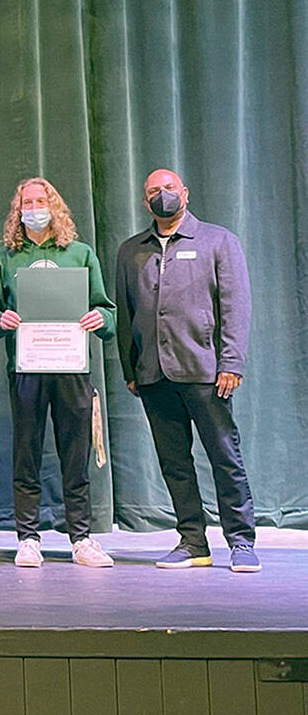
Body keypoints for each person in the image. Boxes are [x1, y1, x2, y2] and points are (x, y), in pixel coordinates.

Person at [115, 169, 258, 572]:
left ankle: (241, 541)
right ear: (145, 202)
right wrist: (131, 368)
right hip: (153, 375)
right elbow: (126, 314)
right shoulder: (130, 250)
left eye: (169, 188)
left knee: (225, 457)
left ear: (185, 193)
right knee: (174, 464)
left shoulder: (218, 241)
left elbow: (235, 306)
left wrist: (231, 362)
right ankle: (193, 541)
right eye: (153, 191)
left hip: (206, 372)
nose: (162, 195)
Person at [0, 178, 115, 568]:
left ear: (55, 206)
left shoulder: (80, 254)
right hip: (26, 368)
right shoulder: (4, 257)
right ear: (17, 210)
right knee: (26, 454)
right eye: (27, 203)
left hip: (72, 368)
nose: (34, 208)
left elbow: (106, 311)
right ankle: (28, 537)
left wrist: (99, 318)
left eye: (41, 201)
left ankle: (81, 538)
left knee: (75, 456)